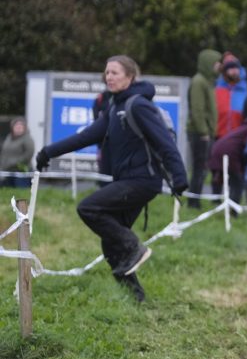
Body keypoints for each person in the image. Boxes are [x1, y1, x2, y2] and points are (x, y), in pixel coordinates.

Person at [34, 55, 188, 302]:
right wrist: (48, 152)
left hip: (142, 181)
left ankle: (134, 246)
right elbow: (85, 137)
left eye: (115, 72)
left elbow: (164, 142)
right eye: (107, 72)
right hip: (127, 181)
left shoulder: (138, 105)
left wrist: (179, 177)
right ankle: (136, 299)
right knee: (109, 244)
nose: (109, 77)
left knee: (88, 208)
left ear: (130, 77)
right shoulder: (114, 108)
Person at [186, 48, 221, 208]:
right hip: (200, 133)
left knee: (202, 169)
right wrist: (203, 131)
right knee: (199, 169)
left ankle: (195, 200)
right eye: (216, 63)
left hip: (206, 132)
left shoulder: (208, 82)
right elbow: (197, 109)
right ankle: (193, 202)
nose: (218, 66)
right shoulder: (199, 82)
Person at [215, 53, 247, 139]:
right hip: (218, 136)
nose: (234, 70)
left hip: (239, 137)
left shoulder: (246, 91)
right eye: (230, 68)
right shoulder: (217, 89)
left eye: (236, 67)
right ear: (225, 71)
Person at [1, 117, 35, 186]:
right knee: (7, 190)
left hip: (21, 171)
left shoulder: (27, 139)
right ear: (12, 127)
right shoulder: (9, 137)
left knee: (21, 190)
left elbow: (29, 154)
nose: (18, 128)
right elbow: (4, 152)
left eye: (20, 126)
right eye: (16, 126)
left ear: (24, 127)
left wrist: (15, 162)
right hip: (8, 170)